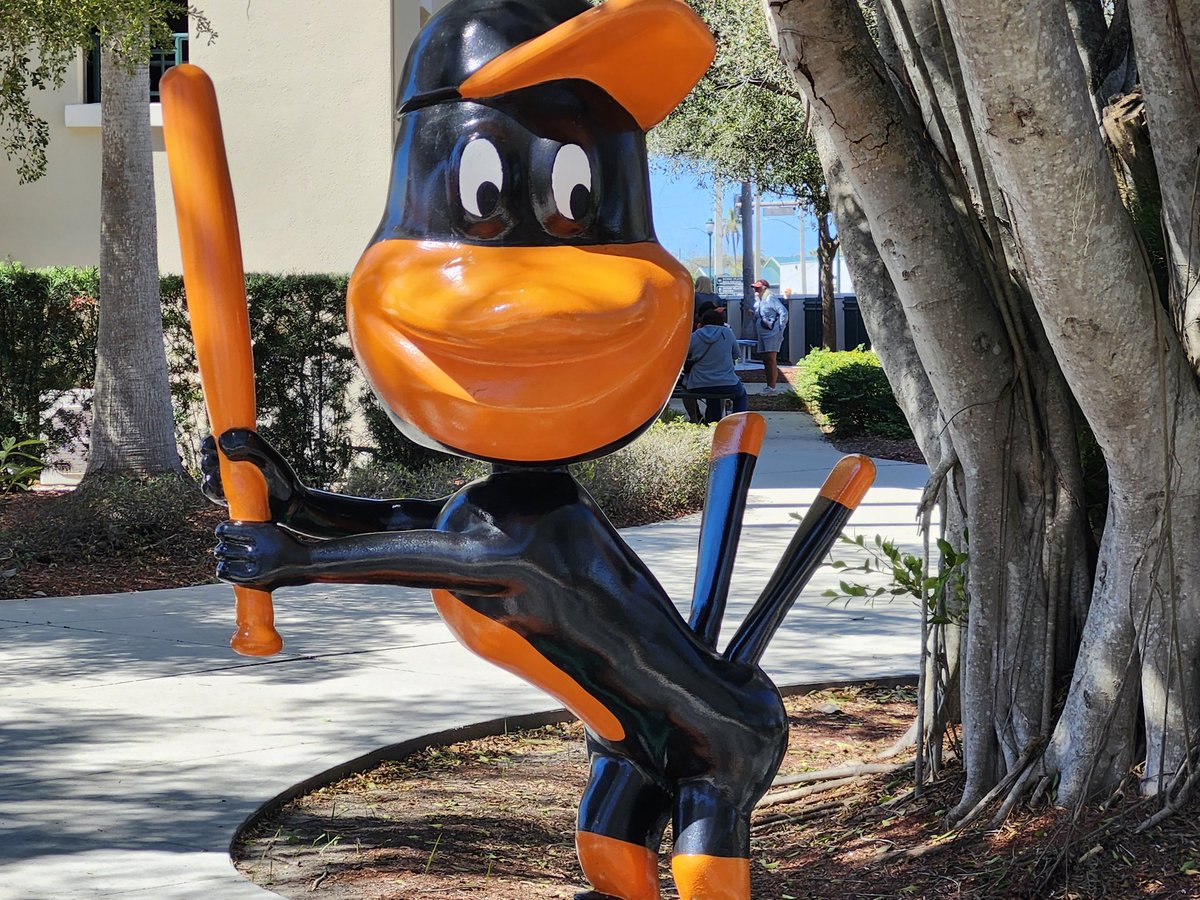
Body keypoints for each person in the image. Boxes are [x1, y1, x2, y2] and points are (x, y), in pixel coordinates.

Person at [685, 307, 748, 423]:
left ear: (703, 322)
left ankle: (710, 421)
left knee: (711, 394)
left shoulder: (695, 335)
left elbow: (685, 355)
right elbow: (736, 355)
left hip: (699, 383)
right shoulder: (727, 333)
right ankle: (738, 424)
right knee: (741, 395)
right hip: (727, 382)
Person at [752, 279, 788, 393]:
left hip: (771, 333)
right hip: (762, 333)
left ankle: (772, 387)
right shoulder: (759, 301)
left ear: (764, 288)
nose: (755, 289)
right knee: (766, 359)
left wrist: (780, 328)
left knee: (771, 359)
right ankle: (769, 386)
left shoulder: (770, 298)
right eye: (754, 287)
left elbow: (783, 312)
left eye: (758, 287)